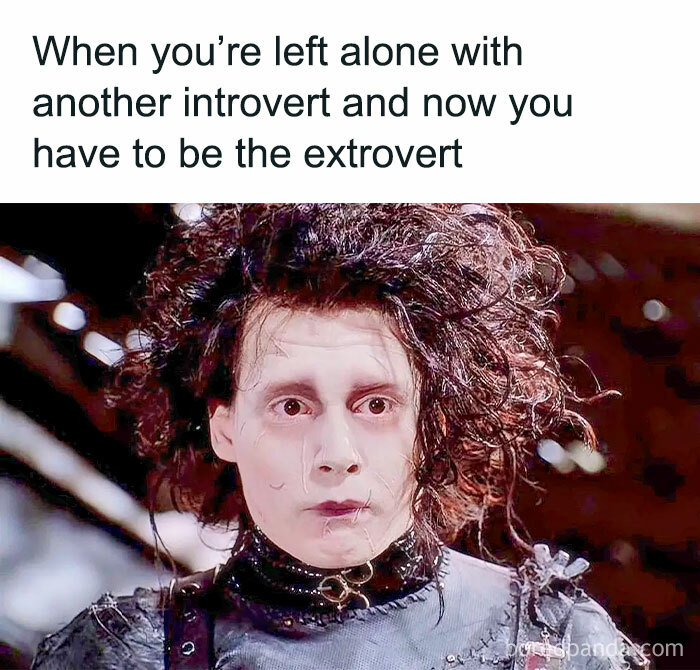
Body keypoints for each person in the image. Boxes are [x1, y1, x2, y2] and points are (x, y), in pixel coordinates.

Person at [31, 204, 648, 669]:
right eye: (291, 406)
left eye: (376, 405)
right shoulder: (120, 655)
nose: (336, 456)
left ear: (433, 422)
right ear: (225, 429)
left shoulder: (556, 644)